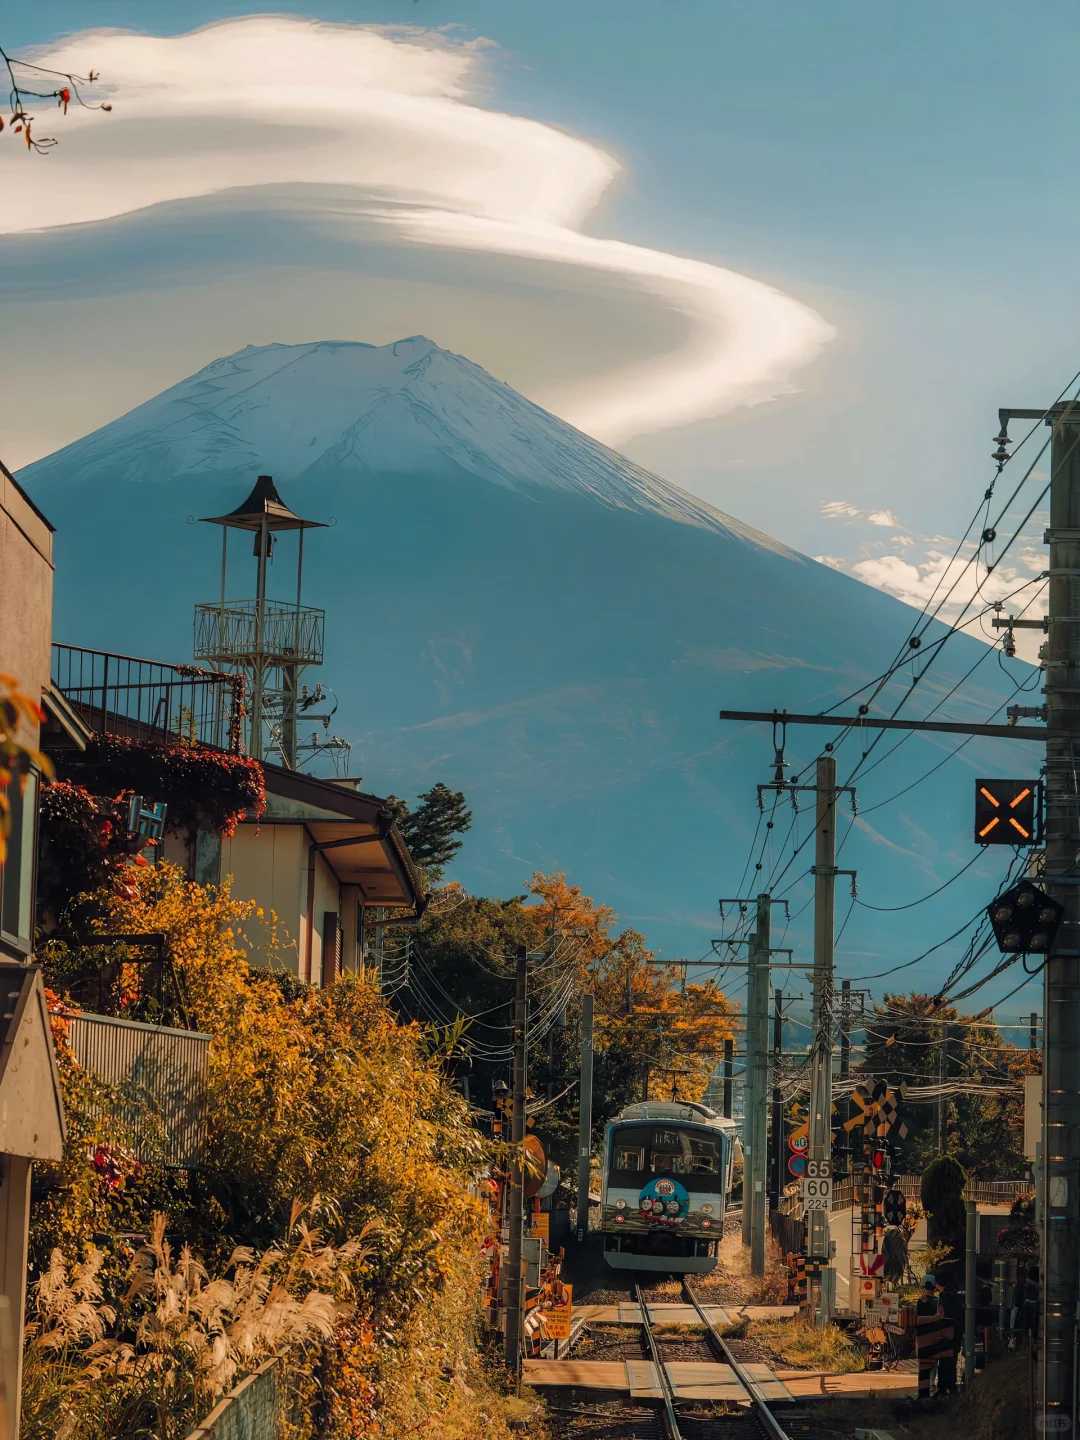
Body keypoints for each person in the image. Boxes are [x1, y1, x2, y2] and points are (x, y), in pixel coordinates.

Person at [916, 1275, 945, 1399]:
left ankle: (924, 1390)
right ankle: (932, 1387)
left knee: (923, 1364)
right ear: (934, 1287)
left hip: (921, 1337)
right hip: (935, 1336)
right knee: (934, 1363)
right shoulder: (938, 1301)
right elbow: (942, 1317)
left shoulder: (919, 1302)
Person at [937, 1273, 961, 1395]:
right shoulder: (954, 1295)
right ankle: (950, 1386)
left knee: (945, 1362)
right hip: (956, 1333)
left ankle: (943, 1388)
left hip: (947, 1334)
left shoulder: (945, 1297)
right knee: (951, 1361)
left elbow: (942, 1316)